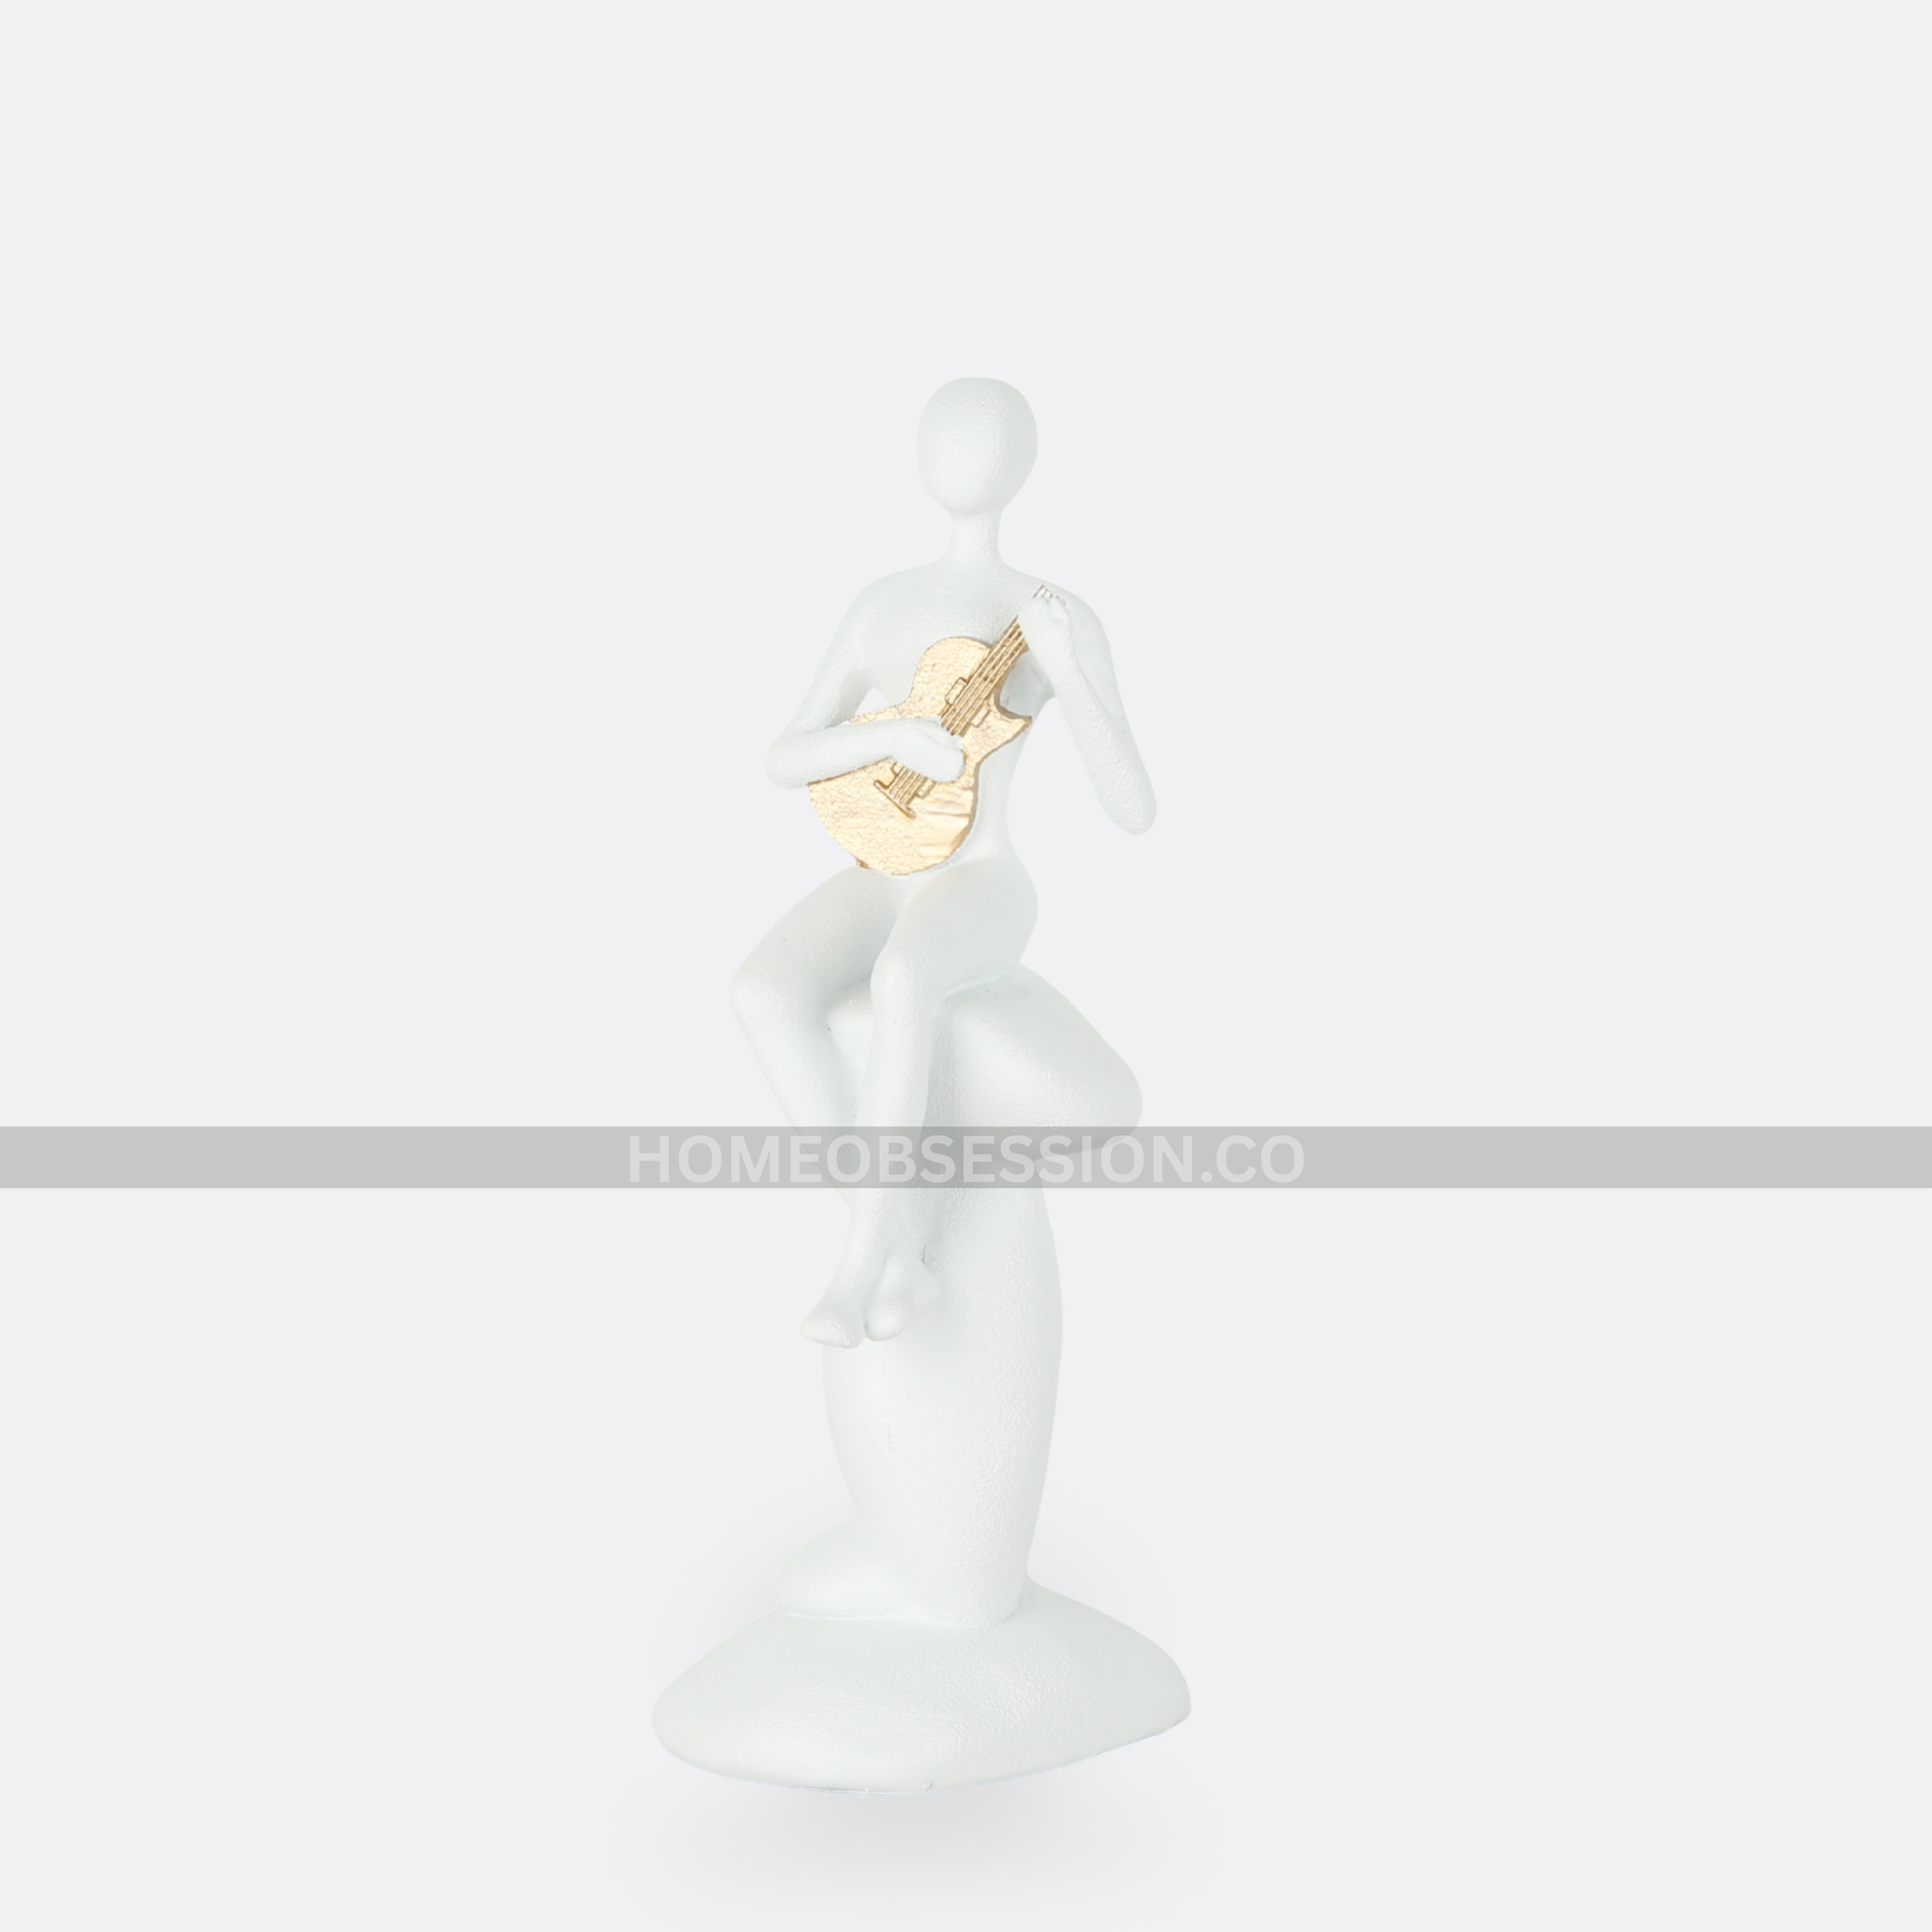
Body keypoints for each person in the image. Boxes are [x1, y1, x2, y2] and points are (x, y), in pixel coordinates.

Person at [730, 378, 1155, 1347]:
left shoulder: (1054, 613)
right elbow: (783, 755)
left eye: (986, 438)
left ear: (1023, 463)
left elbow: (1132, 808)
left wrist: (1068, 669)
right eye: (946, 434)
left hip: (985, 875)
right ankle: (905, 1249)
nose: (963, 454)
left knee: (904, 980)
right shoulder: (882, 603)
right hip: (885, 868)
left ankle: (858, 1265)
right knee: (760, 989)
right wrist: (892, 737)